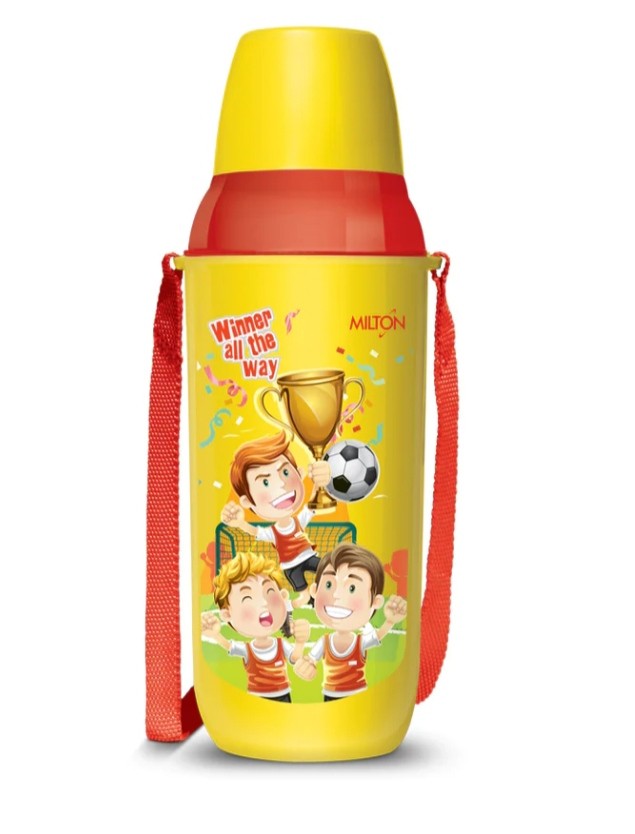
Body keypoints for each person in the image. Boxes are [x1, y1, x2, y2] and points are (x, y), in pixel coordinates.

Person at [221, 431, 330, 607]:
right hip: (291, 566)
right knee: (302, 597)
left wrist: (318, 484)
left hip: (308, 556)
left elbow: (312, 505)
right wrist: (240, 523)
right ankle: (287, 608)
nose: (280, 484)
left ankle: (324, 596)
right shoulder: (272, 532)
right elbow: (255, 531)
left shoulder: (298, 521)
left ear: (299, 474)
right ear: (248, 502)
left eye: (285, 472)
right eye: (265, 482)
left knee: (329, 569)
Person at [294, 543, 407, 701]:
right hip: (330, 695)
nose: (337, 595)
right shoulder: (324, 642)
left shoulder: (359, 643)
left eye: (352, 588)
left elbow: (378, 636)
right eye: (329, 585)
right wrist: (304, 667)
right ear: (314, 591)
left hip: (358, 697)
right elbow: (309, 661)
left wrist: (390, 621)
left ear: (375, 602)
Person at [201, 551, 310, 702]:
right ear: (227, 614)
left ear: (283, 596)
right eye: (247, 598)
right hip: (256, 699)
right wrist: (215, 635)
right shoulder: (248, 650)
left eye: (269, 591)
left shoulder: (280, 645)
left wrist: (300, 643)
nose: (264, 602)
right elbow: (229, 645)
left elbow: (294, 658)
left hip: (283, 696)